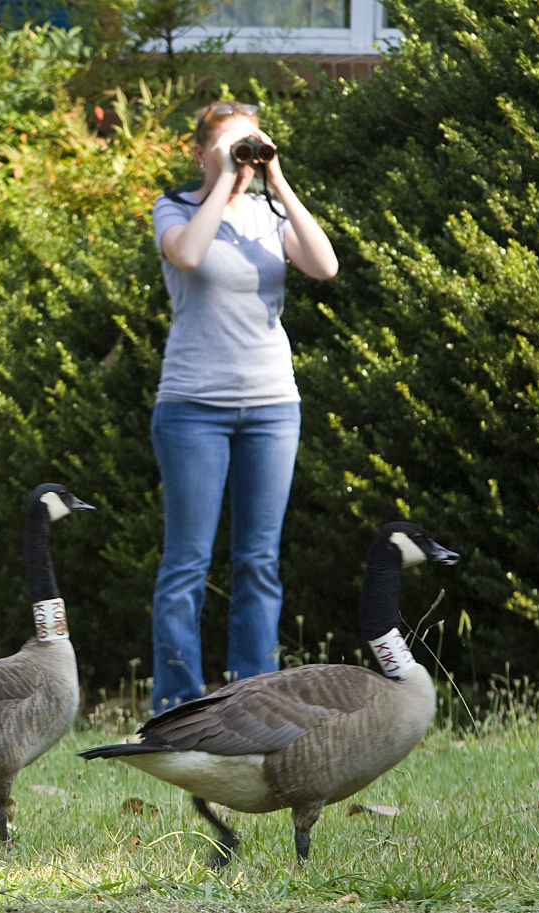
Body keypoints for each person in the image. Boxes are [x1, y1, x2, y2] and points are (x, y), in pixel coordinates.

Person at [148, 101, 338, 711]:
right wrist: (225, 182)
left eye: (251, 148)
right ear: (201, 153)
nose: (245, 160)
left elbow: (325, 265)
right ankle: (177, 705)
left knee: (258, 561)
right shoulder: (174, 209)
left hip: (272, 408)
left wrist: (278, 181)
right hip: (191, 409)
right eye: (232, 148)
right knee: (187, 563)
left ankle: (253, 701)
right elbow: (189, 255)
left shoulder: (270, 212)